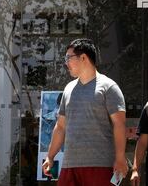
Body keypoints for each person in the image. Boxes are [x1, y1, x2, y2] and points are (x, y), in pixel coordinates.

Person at [42, 38, 128, 186]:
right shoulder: (68, 89)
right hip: (69, 165)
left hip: (100, 165)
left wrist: (120, 158)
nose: (66, 62)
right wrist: (50, 157)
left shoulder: (109, 87)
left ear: (83, 57)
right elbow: (60, 127)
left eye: (69, 57)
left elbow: (119, 125)